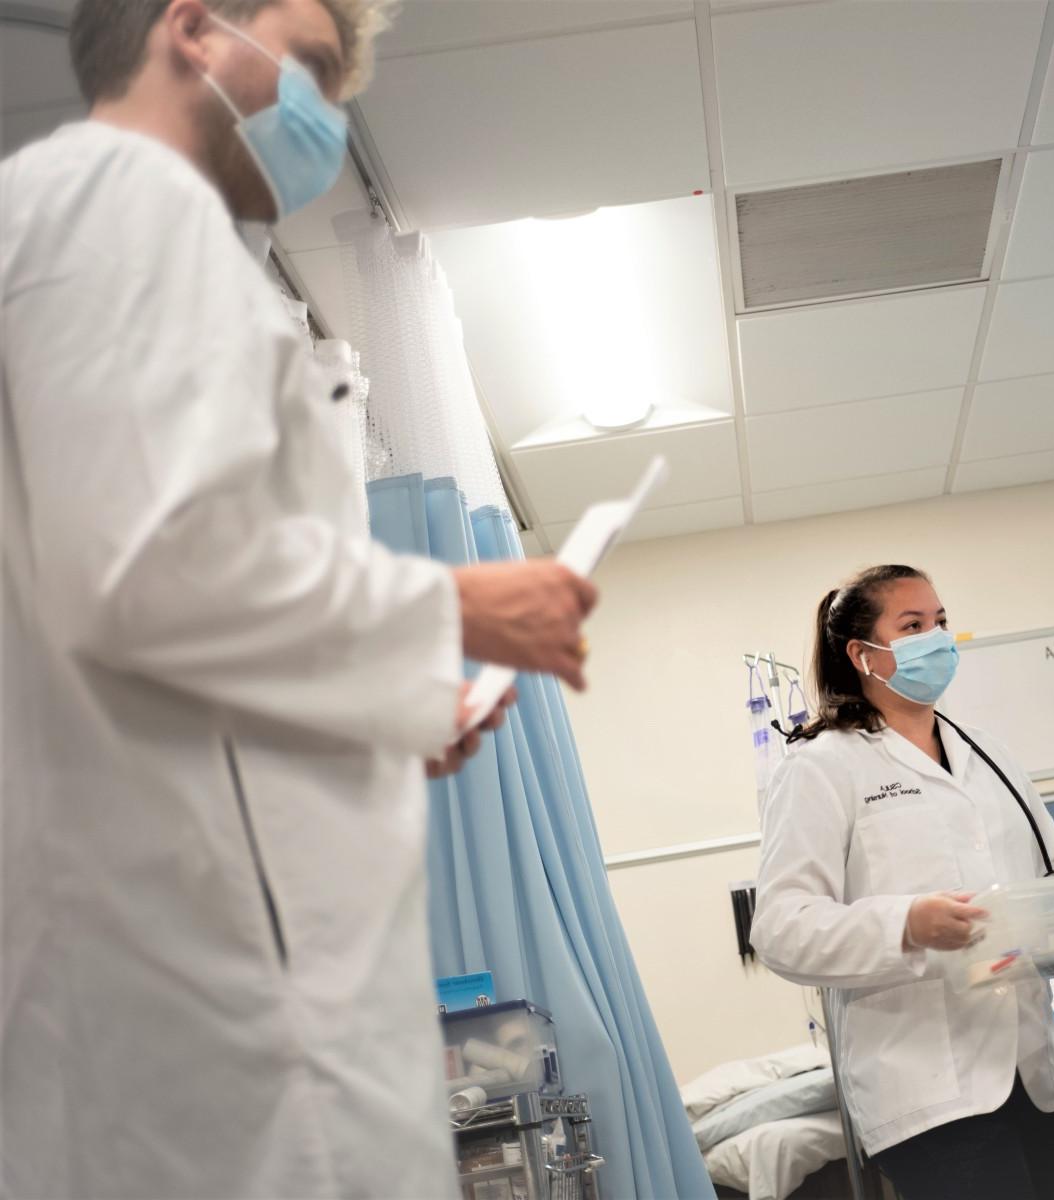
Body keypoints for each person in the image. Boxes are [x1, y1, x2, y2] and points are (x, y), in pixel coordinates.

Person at [1, 2, 597, 1196]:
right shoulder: (121, 203)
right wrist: (454, 608)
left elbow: (167, 619)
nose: (329, 113)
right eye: (315, 69)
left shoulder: (133, 241)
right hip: (200, 1011)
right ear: (195, 29)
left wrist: (377, 710)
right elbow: (146, 571)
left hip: (212, 982)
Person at [751, 565, 1054, 1200]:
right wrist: (905, 924)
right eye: (912, 626)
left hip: (1032, 1070)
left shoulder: (987, 753)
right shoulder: (822, 766)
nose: (936, 638)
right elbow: (779, 928)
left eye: (940, 622)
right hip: (926, 1085)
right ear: (862, 654)